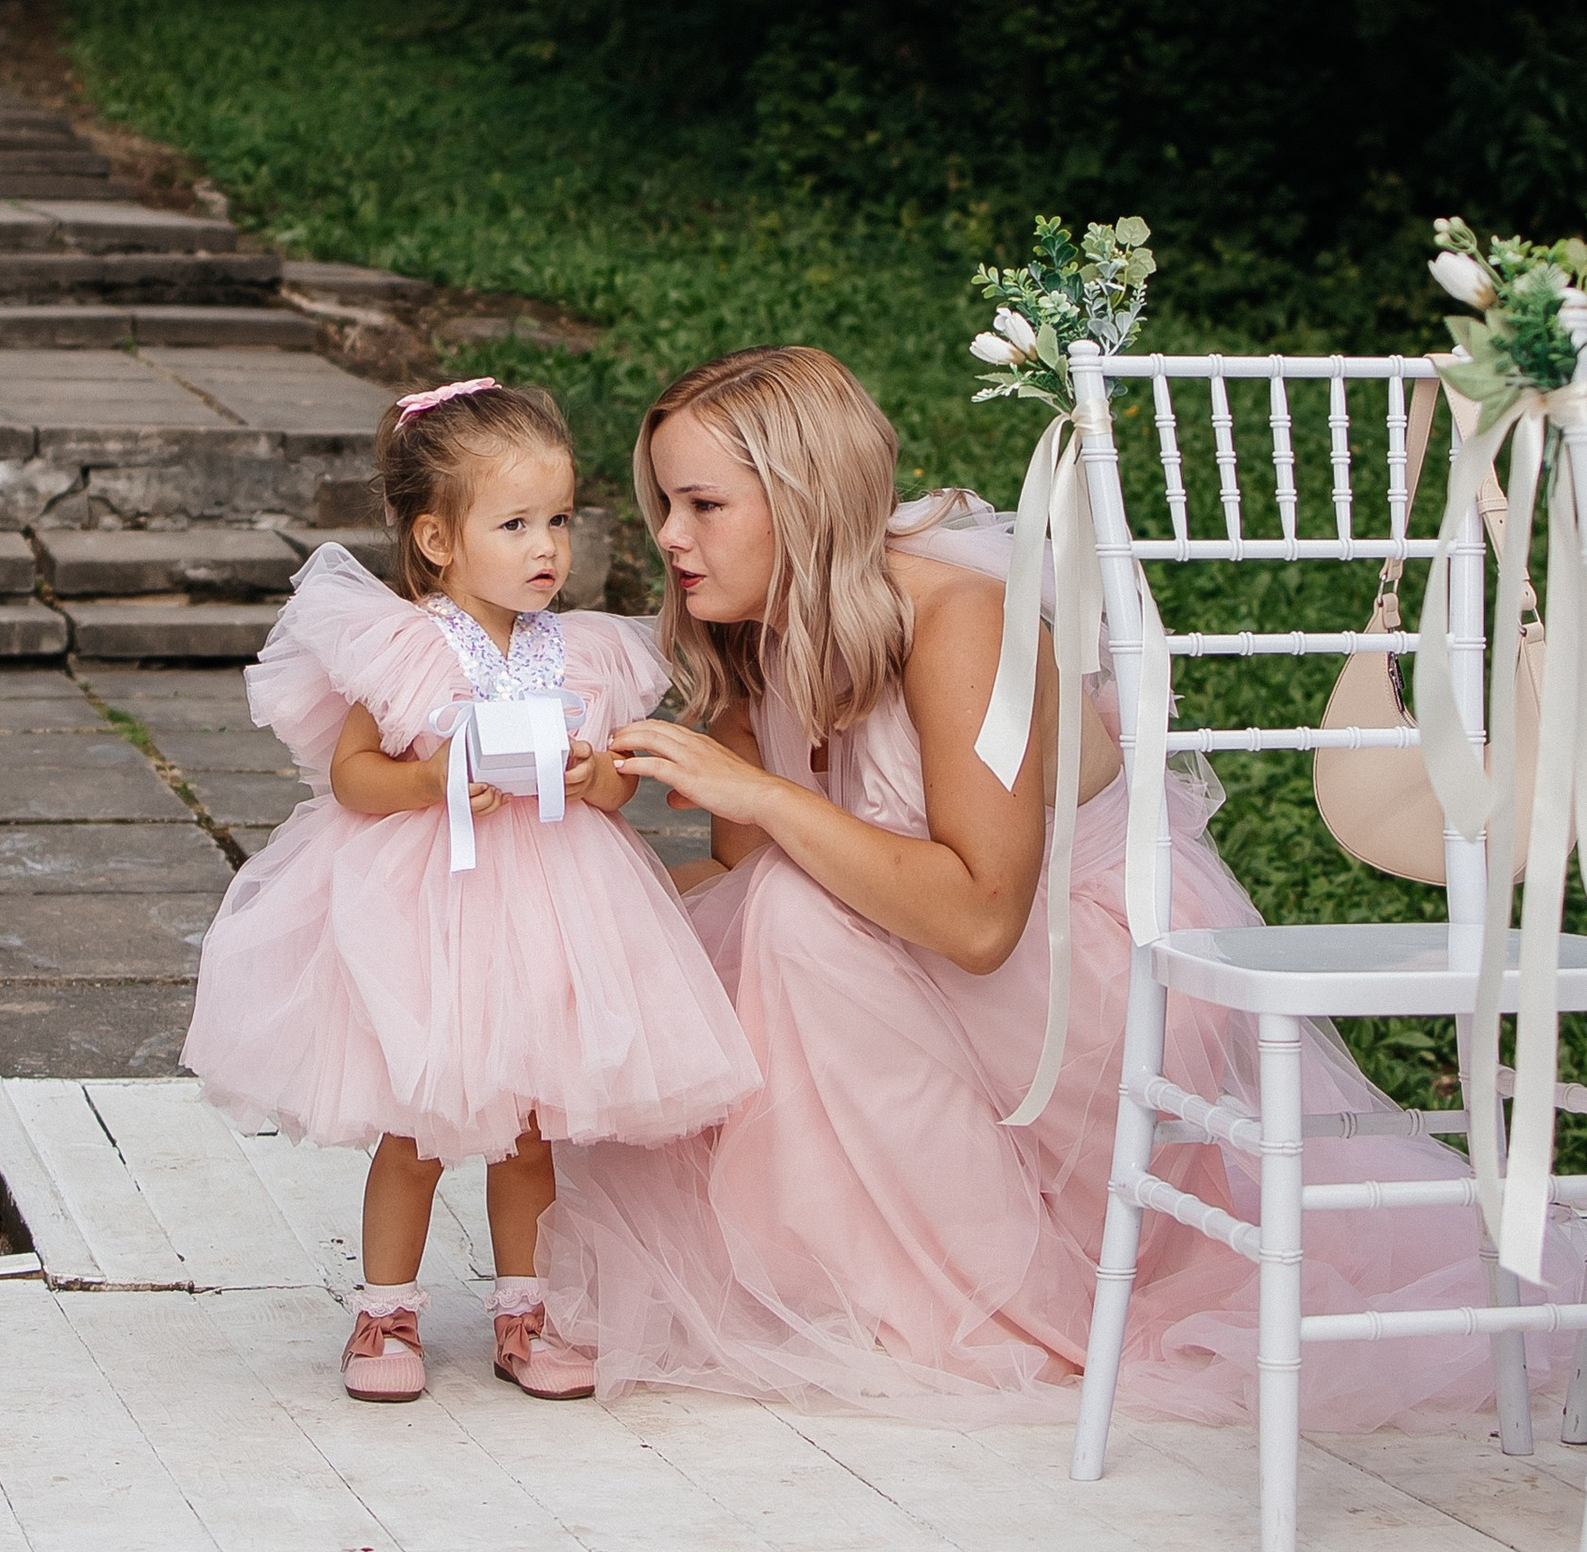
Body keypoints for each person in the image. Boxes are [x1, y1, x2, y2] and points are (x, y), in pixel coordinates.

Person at [541, 343, 1529, 1420]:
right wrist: (598, 867)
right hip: (925, 968)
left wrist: (763, 796)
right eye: (665, 504)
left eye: (702, 505)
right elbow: (746, 875)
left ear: (803, 499)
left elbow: (980, 922)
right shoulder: (757, 635)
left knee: (791, 918)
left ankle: (996, 1310)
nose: (669, 536)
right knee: (720, 922)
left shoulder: (959, 619)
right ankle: (853, 1274)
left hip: (1086, 983)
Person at [183, 376, 759, 1405]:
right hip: (431, 908)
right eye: (515, 524)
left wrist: (594, 773)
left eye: (559, 521)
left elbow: (616, 787)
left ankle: (524, 1311)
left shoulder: (581, 652)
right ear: (438, 540)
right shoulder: (407, 644)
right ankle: (384, 1312)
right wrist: (430, 780)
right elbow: (353, 775)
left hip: (551, 909)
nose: (548, 548)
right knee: (417, 1126)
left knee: (529, 1129)